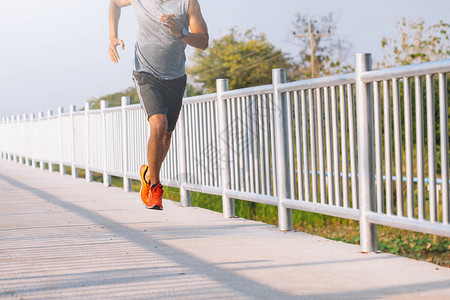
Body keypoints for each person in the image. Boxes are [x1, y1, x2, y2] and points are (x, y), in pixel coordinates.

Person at [108, 0, 209, 209]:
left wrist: (181, 32)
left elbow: (203, 41)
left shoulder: (187, 3)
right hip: (145, 73)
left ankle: (147, 173)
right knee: (158, 125)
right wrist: (112, 37)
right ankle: (155, 186)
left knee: (167, 134)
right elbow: (115, 3)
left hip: (175, 77)